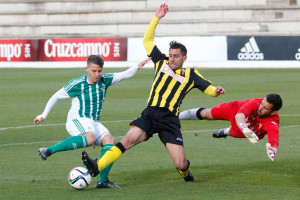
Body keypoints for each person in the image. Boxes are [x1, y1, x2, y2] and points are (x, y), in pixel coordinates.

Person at [81, 3, 225, 182]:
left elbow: (208, 89)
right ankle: (98, 166)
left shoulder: (191, 74)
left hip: (169, 120)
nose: (171, 59)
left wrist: (216, 91)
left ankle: (185, 173)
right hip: (150, 114)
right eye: (170, 55)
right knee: (127, 140)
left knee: (180, 163)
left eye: (176, 56)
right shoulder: (160, 61)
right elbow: (147, 41)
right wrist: (156, 18)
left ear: (184, 58)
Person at [34, 54, 150, 189]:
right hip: (77, 119)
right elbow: (56, 96)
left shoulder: (105, 80)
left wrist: (138, 66)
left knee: (110, 142)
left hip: (92, 121)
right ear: (87, 69)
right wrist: (44, 114)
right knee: (90, 138)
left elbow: (125, 74)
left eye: (99, 71)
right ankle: (48, 150)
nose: (97, 74)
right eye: (94, 71)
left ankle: (102, 181)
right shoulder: (78, 84)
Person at [179, 93, 282, 161]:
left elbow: (274, 138)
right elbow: (240, 115)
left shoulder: (272, 121)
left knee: (239, 132)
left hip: (250, 129)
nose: (260, 108)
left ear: (273, 111)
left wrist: (273, 150)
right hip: (235, 110)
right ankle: (176, 116)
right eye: (262, 104)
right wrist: (244, 127)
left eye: (265, 108)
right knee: (207, 114)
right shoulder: (255, 102)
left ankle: (225, 131)